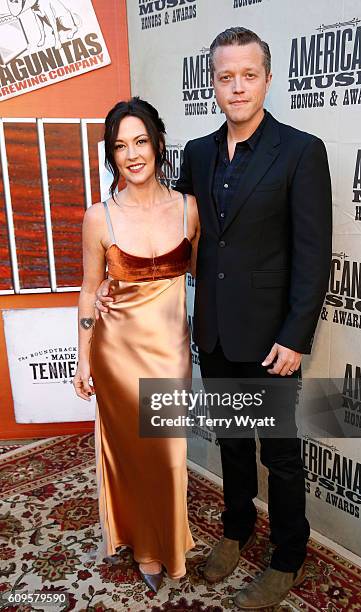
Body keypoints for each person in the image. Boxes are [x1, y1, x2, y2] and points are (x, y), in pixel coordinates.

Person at [96, 27, 332, 610]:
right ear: (213, 82)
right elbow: (160, 223)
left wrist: (296, 336)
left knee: (279, 453)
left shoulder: (302, 151)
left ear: (268, 79)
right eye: (225, 76)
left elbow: (313, 253)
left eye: (248, 74)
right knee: (231, 444)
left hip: (273, 338)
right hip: (216, 333)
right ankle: (234, 531)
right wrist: (111, 279)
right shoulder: (198, 154)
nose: (237, 86)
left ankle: (287, 558)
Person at [73, 97, 199, 593]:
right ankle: (147, 548)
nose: (132, 154)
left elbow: (213, 275)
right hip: (117, 353)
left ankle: (169, 540)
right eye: (120, 146)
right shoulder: (98, 217)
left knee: (166, 455)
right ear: (111, 155)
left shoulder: (189, 209)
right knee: (133, 455)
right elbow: (89, 287)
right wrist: (84, 358)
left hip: (169, 350)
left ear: (159, 144)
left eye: (140, 141)